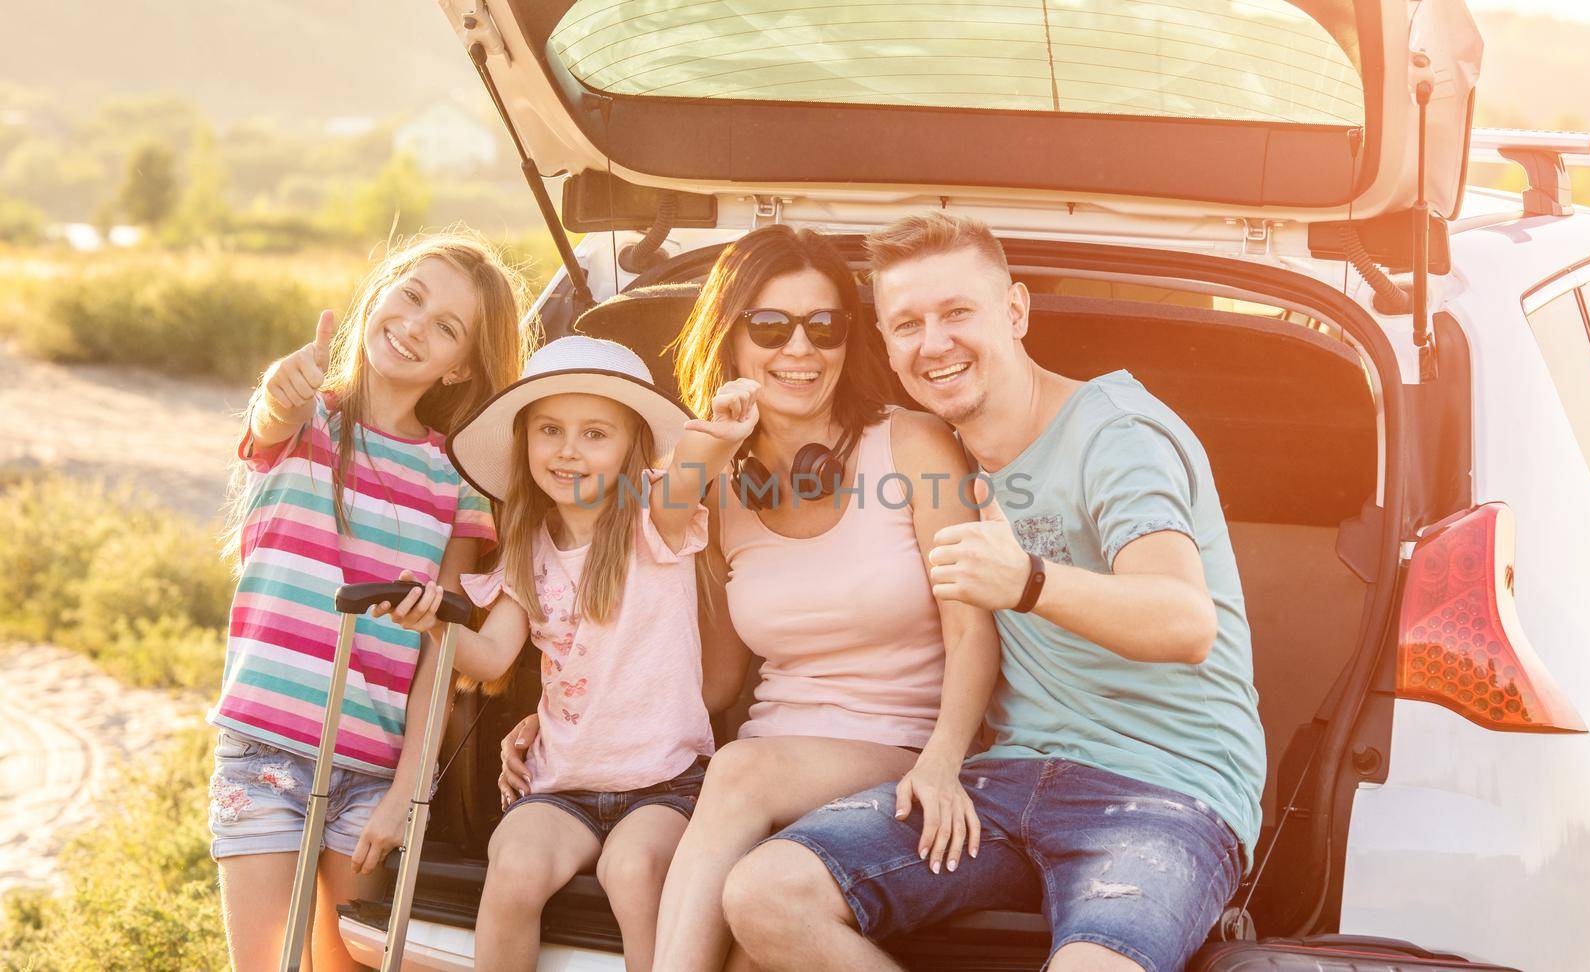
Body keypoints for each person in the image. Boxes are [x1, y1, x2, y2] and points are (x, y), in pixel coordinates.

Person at [722, 213, 1267, 972]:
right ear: (885, 343)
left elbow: (1184, 620)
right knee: (763, 896)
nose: (933, 344)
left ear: (1014, 311)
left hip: (1164, 793)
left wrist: (1030, 581)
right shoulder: (945, 458)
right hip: (1004, 782)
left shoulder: (1118, 435)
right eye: (907, 324)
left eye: (957, 313)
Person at [599, 224, 1001, 971]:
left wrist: (944, 761)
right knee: (755, 953)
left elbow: (972, 632)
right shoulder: (716, 488)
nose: (800, 350)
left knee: (741, 772)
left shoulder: (911, 444)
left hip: (904, 754)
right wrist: (566, 706)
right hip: (766, 777)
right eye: (771, 326)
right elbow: (715, 681)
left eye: (824, 326)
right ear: (732, 338)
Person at [382, 329, 761, 972]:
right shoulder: (526, 555)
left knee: (636, 869)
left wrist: (719, 433)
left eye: (595, 433)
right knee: (514, 862)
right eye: (549, 430)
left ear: (632, 447)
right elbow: (492, 658)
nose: (567, 451)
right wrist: (435, 626)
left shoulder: (654, 525)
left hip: (664, 784)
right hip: (562, 787)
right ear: (524, 440)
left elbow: (689, 471)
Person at [206, 233, 527, 971]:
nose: (415, 325)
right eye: (410, 295)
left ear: (464, 365)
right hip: (264, 752)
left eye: (447, 327)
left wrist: (407, 788)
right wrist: (278, 391)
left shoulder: (456, 482)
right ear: (380, 292)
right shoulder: (308, 420)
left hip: (373, 773)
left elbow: (439, 653)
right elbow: (271, 415)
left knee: (341, 964)